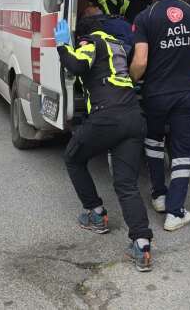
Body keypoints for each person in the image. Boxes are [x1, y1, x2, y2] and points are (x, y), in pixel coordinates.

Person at [54, 16, 153, 272]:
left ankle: (95, 212)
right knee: (126, 184)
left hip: (106, 117)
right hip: (133, 116)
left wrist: (63, 46)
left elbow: (77, 66)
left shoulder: (91, 42)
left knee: (73, 158)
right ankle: (141, 245)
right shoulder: (118, 45)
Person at [130, 0, 190, 232]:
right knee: (182, 148)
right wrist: (189, 69)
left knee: (154, 140)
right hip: (187, 91)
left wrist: (131, 80)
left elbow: (140, 60)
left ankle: (159, 196)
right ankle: (176, 212)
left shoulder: (145, 17)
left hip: (156, 92)